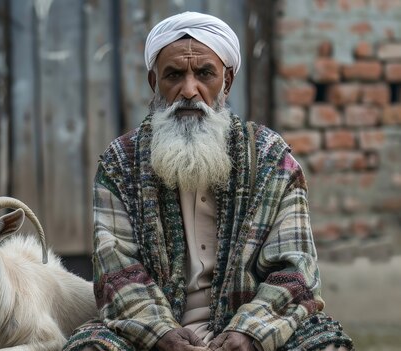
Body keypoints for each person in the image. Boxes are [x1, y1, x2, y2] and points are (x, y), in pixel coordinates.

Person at [63, 12, 353, 351]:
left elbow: (295, 270)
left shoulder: (272, 159)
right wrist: (161, 334)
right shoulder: (119, 163)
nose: (189, 90)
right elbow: (117, 272)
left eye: (204, 74)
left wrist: (249, 332)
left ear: (226, 82)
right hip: (150, 333)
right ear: (153, 82)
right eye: (173, 75)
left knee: (325, 343)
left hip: (252, 328)